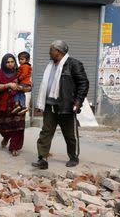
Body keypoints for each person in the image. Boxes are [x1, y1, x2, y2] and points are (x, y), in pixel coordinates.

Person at [32, 40, 89, 169]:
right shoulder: (50, 65)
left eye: (51, 49)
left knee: (70, 134)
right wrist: (40, 103)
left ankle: (73, 157)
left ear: (58, 52)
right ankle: (42, 159)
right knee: (45, 133)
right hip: (49, 105)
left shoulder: (74, 64)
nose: (49, 52)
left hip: (66, 106)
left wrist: (78, 101)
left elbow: (83, 84)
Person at [0, 54, 29, 157]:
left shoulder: (20, 72)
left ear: (15, 62)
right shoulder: (0, 73)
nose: (10, 64)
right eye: (7, 62)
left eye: (12, 61)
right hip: (4, 103)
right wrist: (8, 85)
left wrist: (21, 88)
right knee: (3, 126)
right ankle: (6, 137)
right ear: (4, 63)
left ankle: (15, 147)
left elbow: (28, 86)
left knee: (18, 127)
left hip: (17, 103)